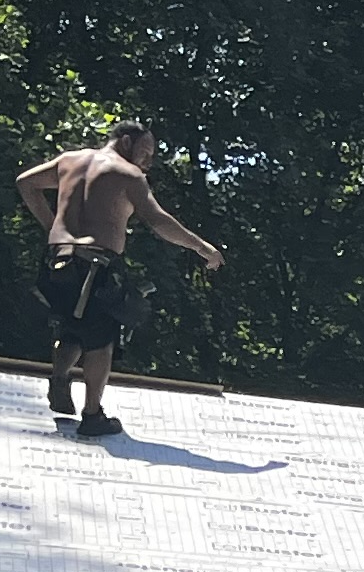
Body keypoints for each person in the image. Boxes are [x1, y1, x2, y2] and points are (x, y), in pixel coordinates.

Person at [13, 125, 224, 437]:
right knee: (101, 339)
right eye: (146, 152)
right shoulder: (128, 175)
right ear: (126, 141)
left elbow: (25, 183)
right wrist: (201, 247)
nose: (148, 161)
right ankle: (92, 415)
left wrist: (51, 227)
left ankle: (60, 376)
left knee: (72, 326)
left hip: (55, 262)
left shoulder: (69, 160)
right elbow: (157, 219)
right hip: (94, 266)